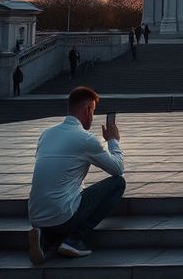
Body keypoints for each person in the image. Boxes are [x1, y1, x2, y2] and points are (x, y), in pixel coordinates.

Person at [27, 87, 126, 263]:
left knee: (65, 200)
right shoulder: (85, 138)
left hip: (36, 215)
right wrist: (113, 141)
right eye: (93, 111)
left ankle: (45, 237)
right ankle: (73, 239)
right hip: (62, 216)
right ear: (88, 109)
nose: (93, 117)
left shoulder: (46, 134)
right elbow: (117, 169)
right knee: (118, 183)